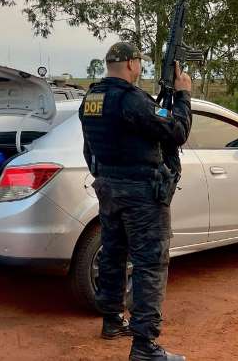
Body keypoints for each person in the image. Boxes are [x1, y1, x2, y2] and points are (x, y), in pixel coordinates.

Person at [78, 42, 192, 361]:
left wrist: (107, 177)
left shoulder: (91, 98)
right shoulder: (132, 100)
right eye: (139, 62)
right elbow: (178, 130)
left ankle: (112, 320)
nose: (140, 66)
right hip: (140, 193)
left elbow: (90, 148)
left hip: (108, 187)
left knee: (114, 253)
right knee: (150, 264)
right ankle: (145, 346)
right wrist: (182, 94)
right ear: (131, 64)